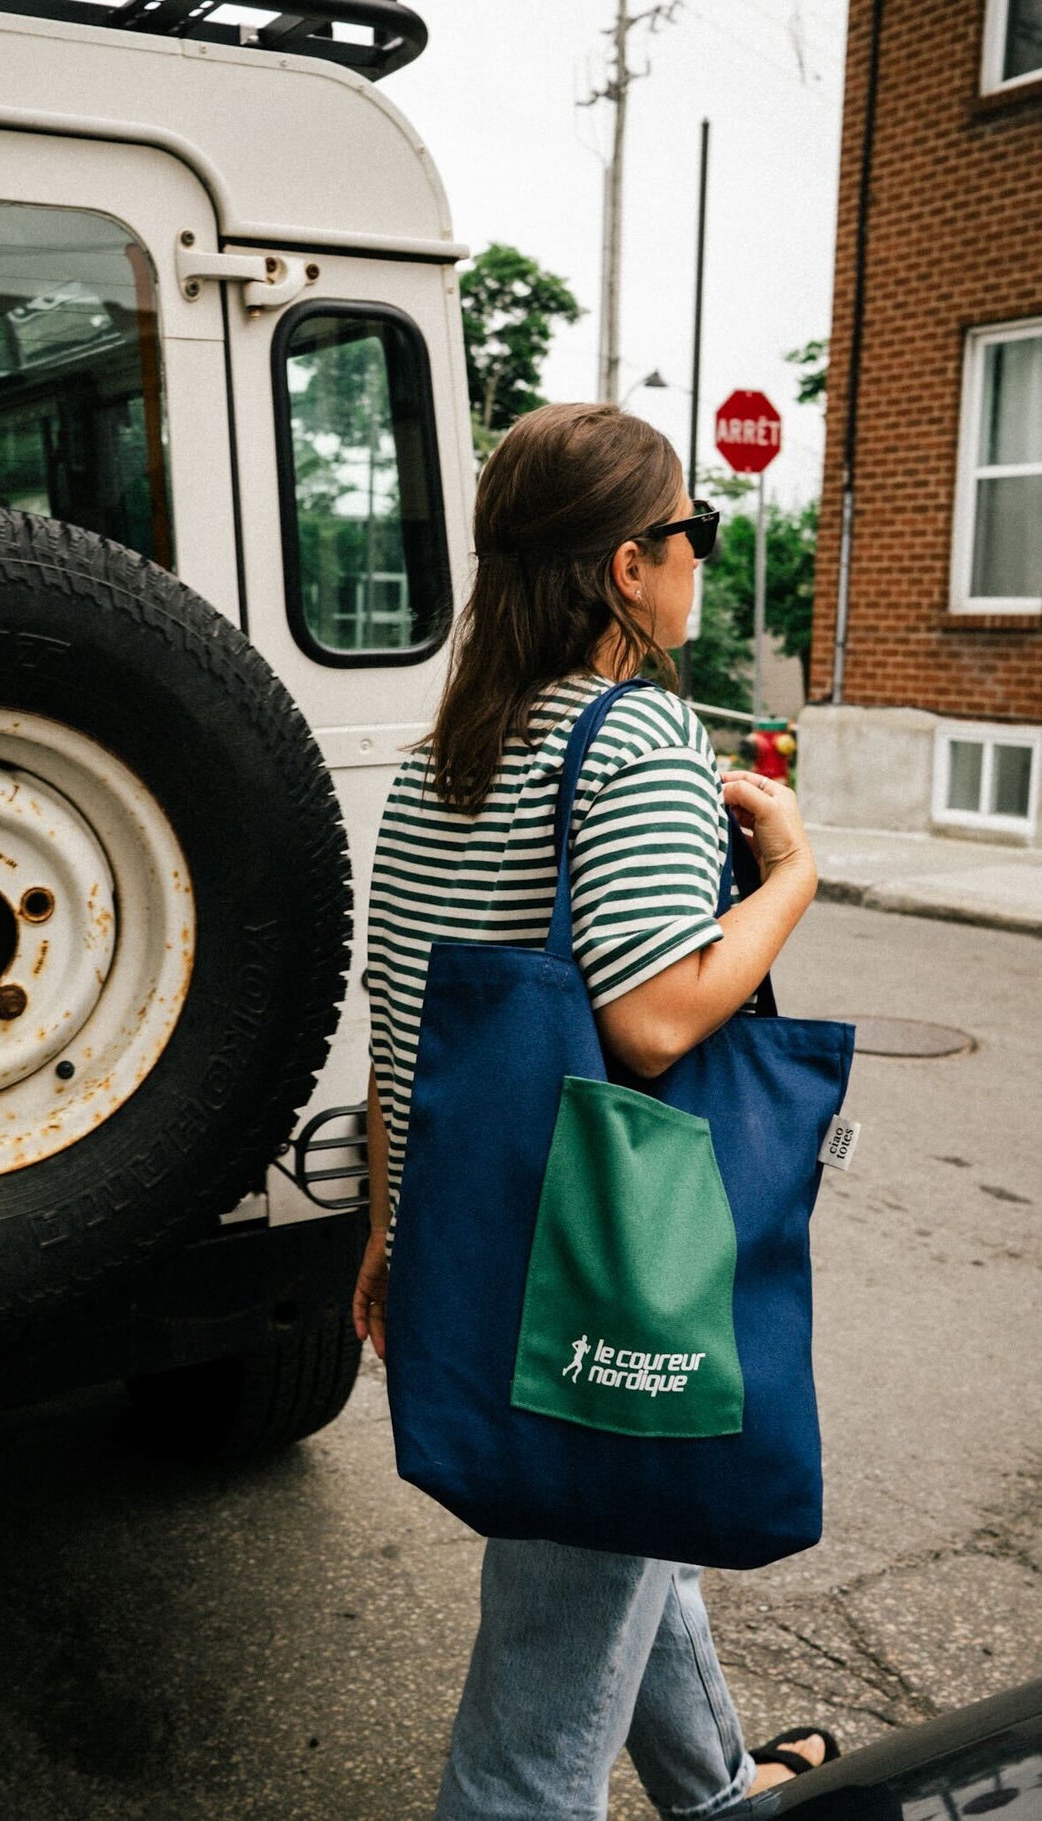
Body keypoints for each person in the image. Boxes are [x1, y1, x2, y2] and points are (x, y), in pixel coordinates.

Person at [354, 402, 835, 1820]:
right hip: (593, 1278)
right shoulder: (632, 743)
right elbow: (650, 1015)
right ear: (630, 565)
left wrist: (383, 1234)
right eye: (690, 529)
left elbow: (400, 1022)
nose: (701, 554)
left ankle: (721, 1789)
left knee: (624, 1539)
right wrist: (791, 875)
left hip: (475, 1236)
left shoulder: (448, 749)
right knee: (530, 1739)